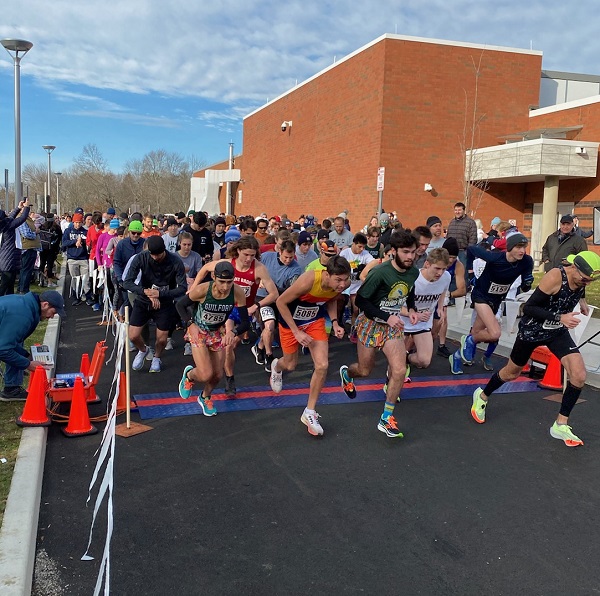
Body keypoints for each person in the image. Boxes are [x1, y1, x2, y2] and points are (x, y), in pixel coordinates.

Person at [471, 250, 600, 447]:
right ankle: (482, 395)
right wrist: (560, 317)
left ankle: (561, 424)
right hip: (533, 329)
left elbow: (579, 288)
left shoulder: (581, 279)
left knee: (579, 375)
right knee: (511, 373)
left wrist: (582, 301)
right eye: (585, 279)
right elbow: (529, 308)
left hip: (556, 332)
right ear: (574, 267)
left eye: (590, 281)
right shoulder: (555, 276)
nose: (587, 283)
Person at [340, 230, 419, 438]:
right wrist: (386, 315)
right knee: (365, 370)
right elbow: (361, 302)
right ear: (393, 252)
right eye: (405, 252)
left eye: (413, 252)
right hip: (370, 323)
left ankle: (386, 417)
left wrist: (411, 310)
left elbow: (410, 291)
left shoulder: (414, 272)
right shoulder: (380, 272)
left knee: (400, 370)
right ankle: (347, 374)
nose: (410, 257)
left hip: (392, 327)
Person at [269, 256, 351, 436]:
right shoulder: (309, 280)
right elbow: (280, 302)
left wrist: (335, 322)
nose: (343, 284)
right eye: (338, 280)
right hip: (290, 321)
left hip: (314, 320)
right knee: (290, 364)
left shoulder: (341, 284)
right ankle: (277, 365)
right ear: (327, 275)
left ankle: (310, 412)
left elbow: (331, 299)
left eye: (345, 280)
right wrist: (296, 332)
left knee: (322, 365)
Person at [190, 236, 279, 396]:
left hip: (246, 309)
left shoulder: (259, 268)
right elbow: (204, 270)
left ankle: (228, 365)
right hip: (227, 309)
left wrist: (256, 306)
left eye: (252, 255)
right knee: (229, 344)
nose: (249, 259)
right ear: (238, 251)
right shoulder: (227, 265)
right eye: (246, 255)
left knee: (234, 344)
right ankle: (229, 379)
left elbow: (274, 293)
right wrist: (194, 288)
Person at [449, 233, 534, 375]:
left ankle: (456, 357)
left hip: (496, 300)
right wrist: (470, 273)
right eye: (518, 247)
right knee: (495, 333)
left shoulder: (526, 261)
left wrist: (527, 283)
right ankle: (468, 340)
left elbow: (526, 284)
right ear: (509, 247)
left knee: (476, 333)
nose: (522, 251)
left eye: (524, 247)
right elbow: (470, 249)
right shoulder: (494, 258)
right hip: (481, 296)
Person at [176, 261, 249, 416]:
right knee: (205, 374)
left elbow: (245, 323)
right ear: (213, 277)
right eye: (222, 282)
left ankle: (205, 396)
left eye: (229, 282)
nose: (225, 287)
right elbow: (180, 305)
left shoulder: (237, 292)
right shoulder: (203, 290)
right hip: (199, 331)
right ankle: (189, 376)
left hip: (218, 332)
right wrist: (190, 324)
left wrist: (233, 333)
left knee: (217, 375)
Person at [122, 236, 187, 373]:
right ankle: (143, 350)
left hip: (164, 302)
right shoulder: (141, 257)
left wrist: (159, 294)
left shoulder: (175, 261)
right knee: (133, 335)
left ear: (164, 250)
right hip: (143, 299)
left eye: (158, 254)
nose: (155, 257)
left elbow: (182, 288)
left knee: (162, 339)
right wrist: (145, 292)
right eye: (152, 255)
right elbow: (127, 282)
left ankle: (157, 357)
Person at [0, 290, 65, 400]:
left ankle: (11, 389)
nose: (52, 316)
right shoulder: (23, 316)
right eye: (53, 312)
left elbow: (10, 342)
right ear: (45, 305)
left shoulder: (26, 306)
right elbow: (3, 350)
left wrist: (26, 356)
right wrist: (28, 364)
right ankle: (11, 389)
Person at [252, 239, 302, 371]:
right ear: (279, 251)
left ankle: (260, 346)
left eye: (291, 257)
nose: (288, 260)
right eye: (286, 257)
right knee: (269, 325)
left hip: (280, 299)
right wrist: (259, 279)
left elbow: (292, 289)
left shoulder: (296, 268)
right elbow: (254, 267)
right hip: (263, 296)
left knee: (273, 328)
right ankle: (269, 355)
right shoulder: (267, 257)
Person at [402, 248, 450, 373]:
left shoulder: (446, 277)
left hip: (423, 324)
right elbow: (395, 306)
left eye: (444, 269)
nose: (440, 273)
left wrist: (440, 307)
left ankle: (406, 358)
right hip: (402, 323)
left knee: (424, 361)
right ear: (427, 264)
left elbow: (443, 290)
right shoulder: (412, 279)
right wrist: (413, 314)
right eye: (437, 268)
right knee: (395, 363)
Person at [339, 233, 374, 341]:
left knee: (356, 309)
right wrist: (352, 270)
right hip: (345, 285)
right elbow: (339, 267)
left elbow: (373, 262)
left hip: (357, 287)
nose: (361, 249)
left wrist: (366, 267)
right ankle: (338, 324)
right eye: (360, 246)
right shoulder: (345, 253)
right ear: (354, 244)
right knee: (340, 306)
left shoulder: (365, 254)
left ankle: (354, 329)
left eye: (363, 247)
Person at [61, 213, 93, 306]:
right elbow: (64, 243)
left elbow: (88, 242)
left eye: (79, 222)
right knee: (75, 279)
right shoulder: (68, 231)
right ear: (73, 222)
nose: (78, 224)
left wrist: (82, 241)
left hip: (83, 258)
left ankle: (88, 296)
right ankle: (76, 297)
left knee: (85, 279)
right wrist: (75, 241)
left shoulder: (85, 231)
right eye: (76, 222)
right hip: (72, 258)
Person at [0, 200, 31, 296]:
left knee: (9, 285)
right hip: (8, 259)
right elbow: (22, 218)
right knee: (5, 284)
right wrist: (26, 207)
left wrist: (18, 208)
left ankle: (10, 301)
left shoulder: (4, 224)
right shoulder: (7, 226)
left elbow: (10, 218)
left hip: (6, 258)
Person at [445, 202, 477, 287]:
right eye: (455, 210)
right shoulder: (452, 222)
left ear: (464, 210)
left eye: (459, 210)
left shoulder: (470, 222)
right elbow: (448, 237)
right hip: (450, 253)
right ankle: (450, 294)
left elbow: (473, 238)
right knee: (449, 273)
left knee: (463, 274)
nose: (457, 212)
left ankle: (462, 294)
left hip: (463, 252)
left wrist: (468, 252)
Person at [17, 207, 41, 294]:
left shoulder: (27, 219)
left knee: (27, 270)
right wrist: (36, 232)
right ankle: (23, 290)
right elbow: (26, 234)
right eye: (26, 208)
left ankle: (22, 288)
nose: (28, 210)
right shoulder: (21, 220)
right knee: (26, 270)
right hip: (27, 248)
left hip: (31, 247)